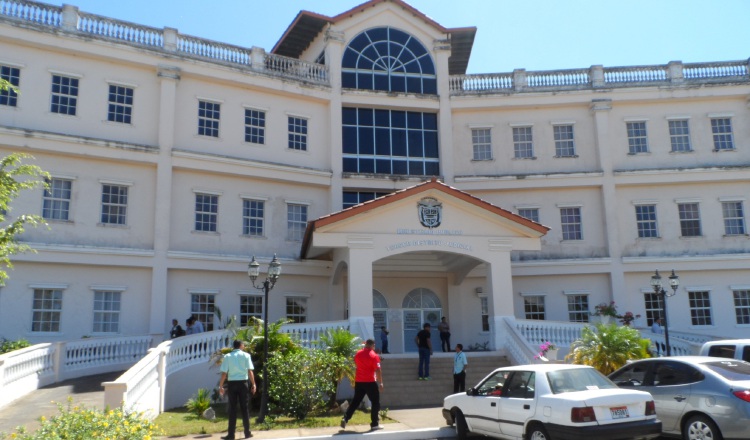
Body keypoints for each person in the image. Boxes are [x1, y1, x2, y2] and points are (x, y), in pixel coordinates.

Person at [340, 339, 383, 431]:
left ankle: (345, 418)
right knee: (375, 402)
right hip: (370, 382)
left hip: (359, 381)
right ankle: (375, 424)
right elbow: (378, 370)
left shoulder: (358, 353)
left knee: (356, 401)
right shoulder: (374, 356)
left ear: (366, 344)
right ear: (373, 345)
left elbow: (357, 363)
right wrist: (381, 382)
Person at [218, 340, 256, 440]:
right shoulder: (246, 355)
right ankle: (247, 433)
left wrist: (221, 386)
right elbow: (250, 371)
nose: (244, 346)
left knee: (232, 409)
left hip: (232, 384)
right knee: (244, 408)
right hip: (243, 383)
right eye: (243, 344)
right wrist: (253, 384)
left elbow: (224, 373)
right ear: (240, 345)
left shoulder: (227, 356)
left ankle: (231, 434)